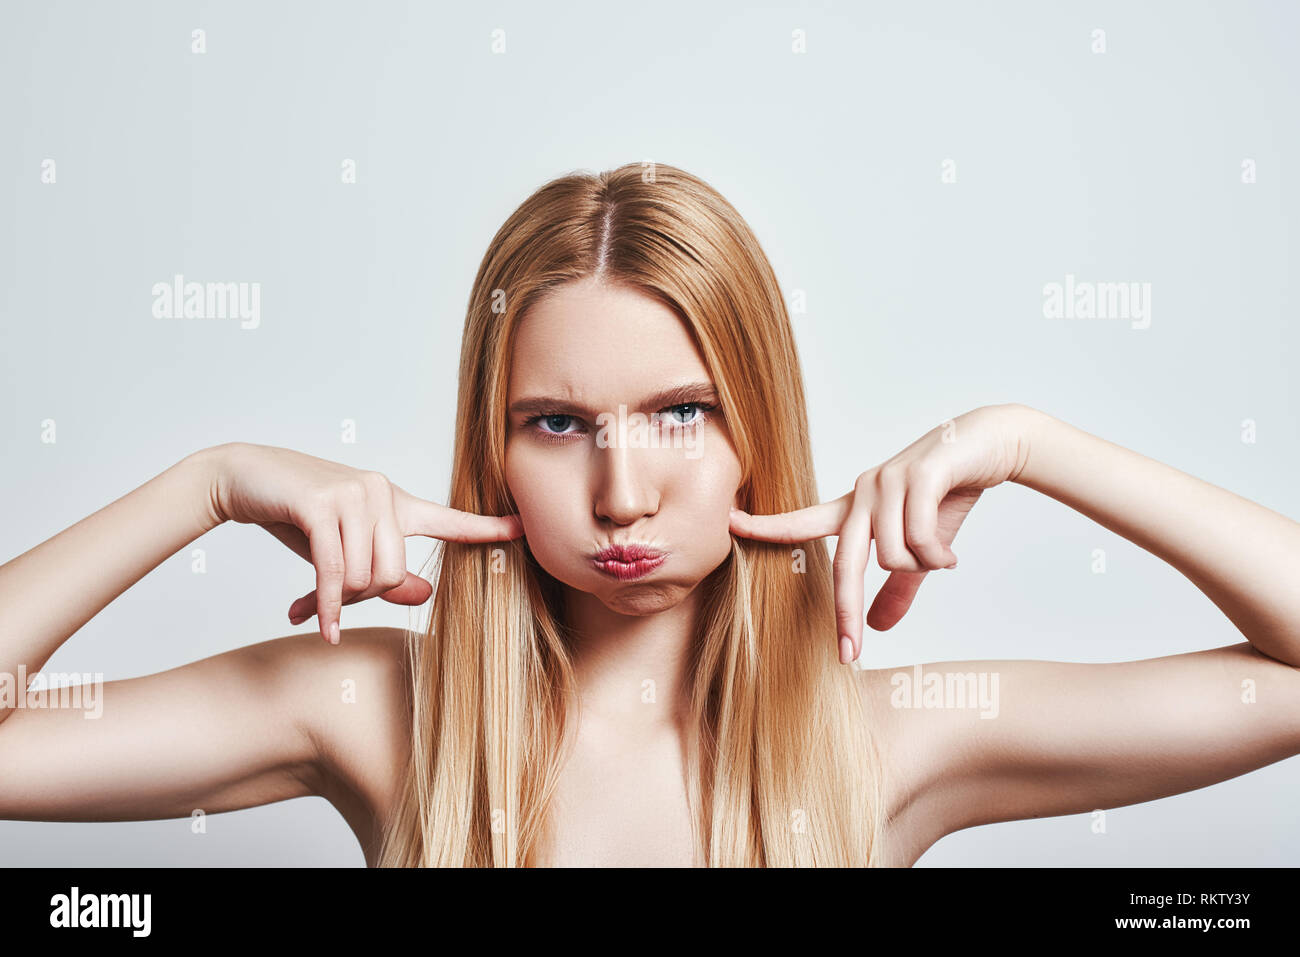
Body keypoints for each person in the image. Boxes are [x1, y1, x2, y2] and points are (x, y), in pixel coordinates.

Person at [2, 163, 1298, 867]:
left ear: (759, 431)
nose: (623, 492)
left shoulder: (881, 746)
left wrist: (1027, 442)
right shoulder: (382, 708)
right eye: (557, 422)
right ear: (490, 444)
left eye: (683, 411)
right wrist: (210, 483)